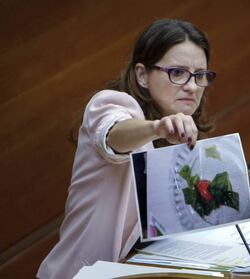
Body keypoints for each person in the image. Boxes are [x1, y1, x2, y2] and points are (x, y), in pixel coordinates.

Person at [37, 18, 216, 279]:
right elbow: (114, 136)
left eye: (200, 76)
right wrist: (156, 128)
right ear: (142, 75)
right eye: (177, 72)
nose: (191, 86)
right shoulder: (111, 106)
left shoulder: (182, 133)